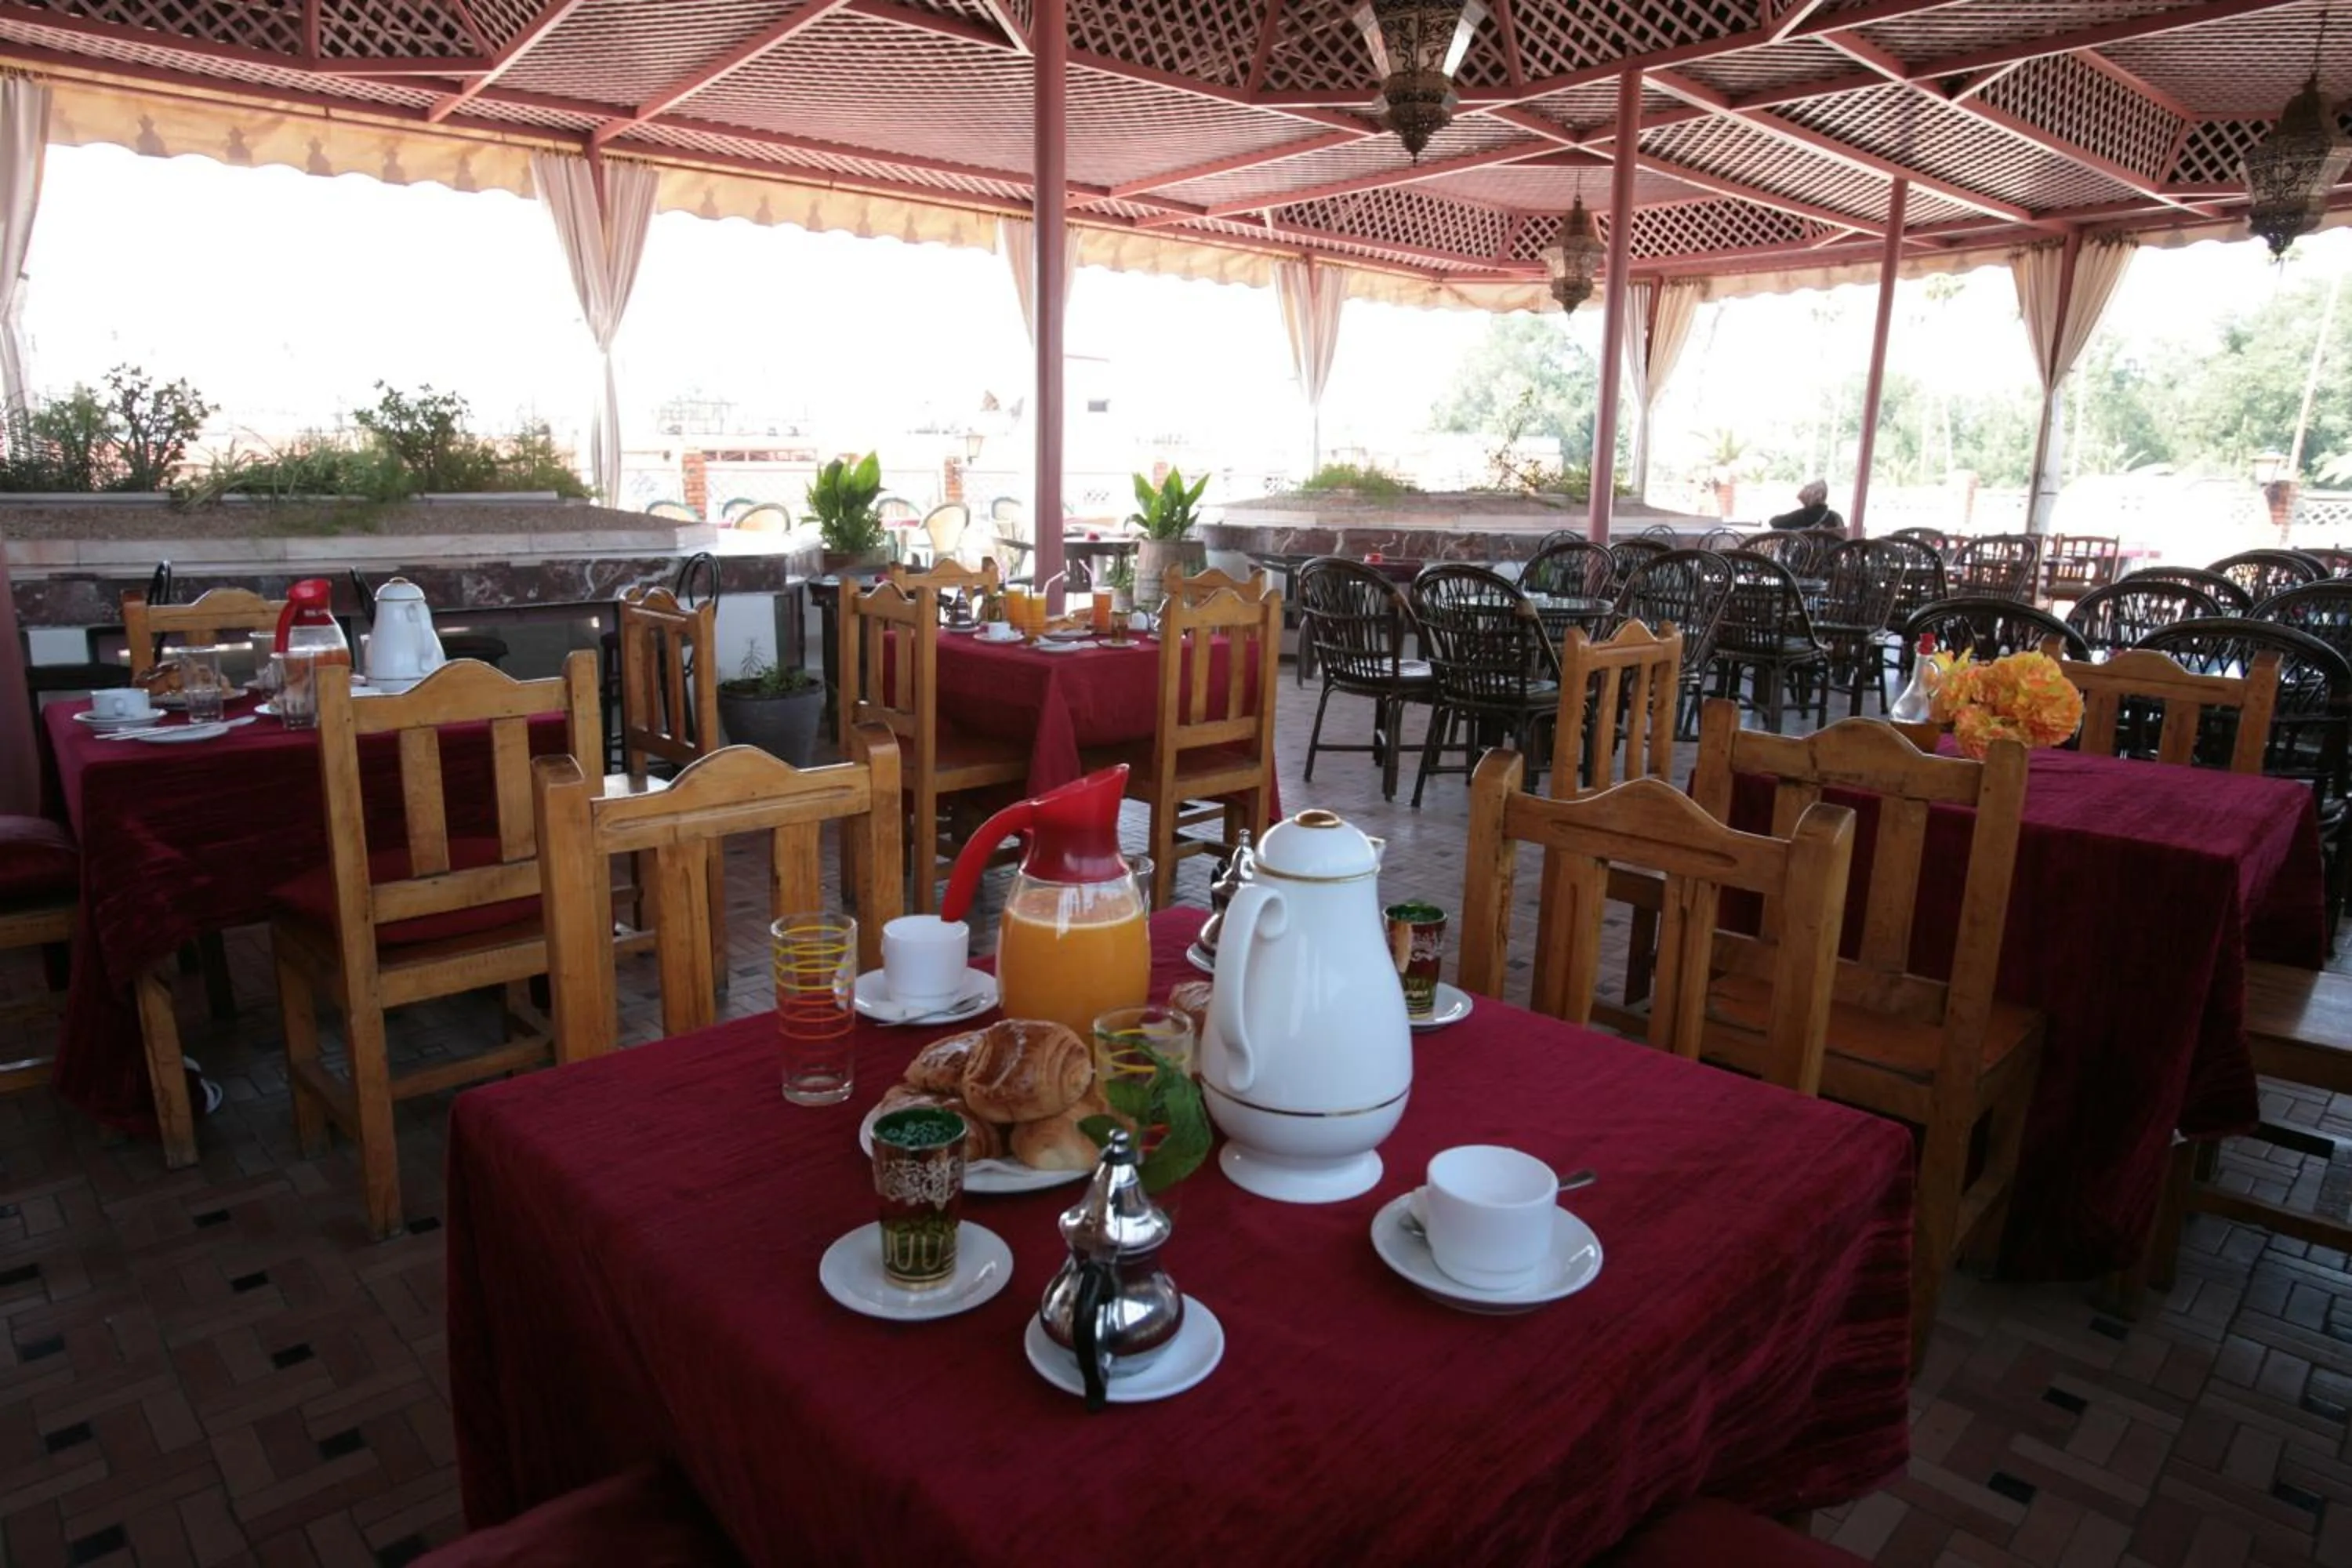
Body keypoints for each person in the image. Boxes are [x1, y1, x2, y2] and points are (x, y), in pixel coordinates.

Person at [1769, 480, 1843, 532]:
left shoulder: (1802, 516)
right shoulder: (1836, 517)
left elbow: (1774, 522)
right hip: (1830, 554)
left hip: (1805, 554)